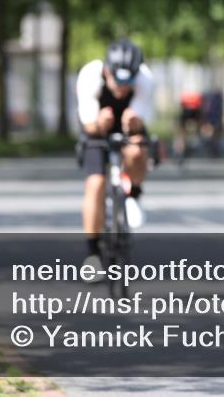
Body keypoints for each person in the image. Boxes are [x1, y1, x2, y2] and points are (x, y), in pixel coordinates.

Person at [76, 39, 156, 269]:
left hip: (128, 123)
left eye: (128, 82)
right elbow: (88, 125)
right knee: (95, 184)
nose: (122, 88)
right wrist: (99, 123)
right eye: (117, 81)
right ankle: (92, 253)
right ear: (107, 71)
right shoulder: (90, 76)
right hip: (96, 125)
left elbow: (141, 123)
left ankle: (134, 195)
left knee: (137, 148)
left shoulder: (145, 79)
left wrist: (133, 122)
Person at [174, 90, 203, 157]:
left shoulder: (186, 98)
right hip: (194, 111)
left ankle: (179, 148)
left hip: (187, 111)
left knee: (181, 132)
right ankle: (195, 141)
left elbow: (181, 106)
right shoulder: (196, 98)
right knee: (197, 126)